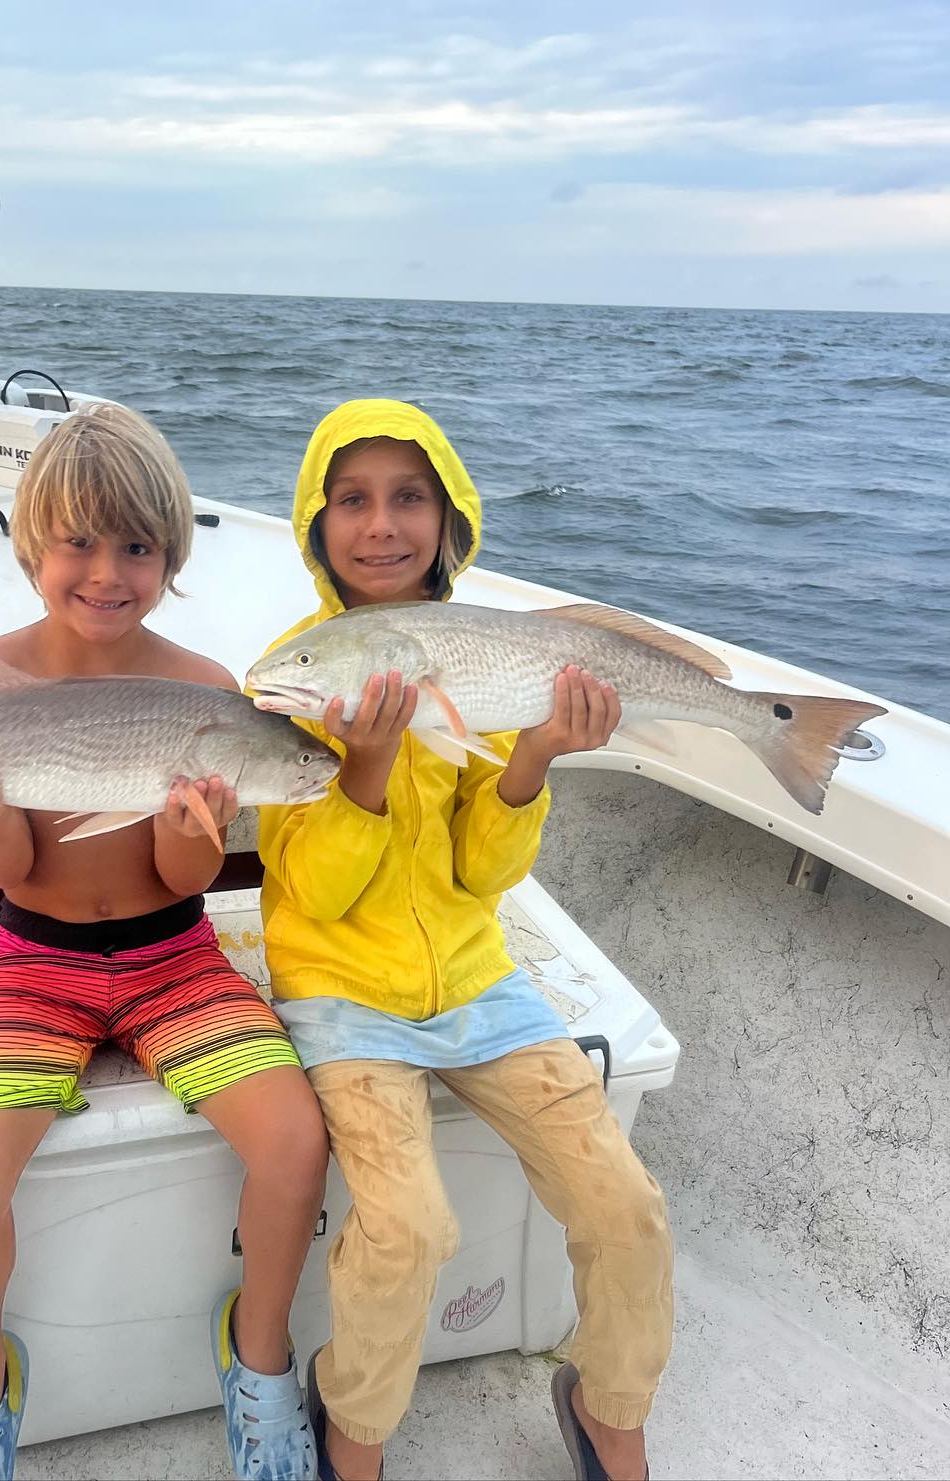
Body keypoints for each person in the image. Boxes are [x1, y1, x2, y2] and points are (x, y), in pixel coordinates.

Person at [254, 399, 673, 1481]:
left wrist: (534, 753)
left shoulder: (483, 658)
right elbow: (317, 890)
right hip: (342, 989)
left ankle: (610, 1410)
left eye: (410, 497)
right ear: (315, 523)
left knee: (626, 1202)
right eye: (351, 498)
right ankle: (353, 1430)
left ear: (449, 519)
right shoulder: (300, 672)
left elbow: (485, 873)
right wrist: (365, 763)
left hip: (480, 979)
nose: (380, 523)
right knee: (408, 1228)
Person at [0, 402, 327, 1481]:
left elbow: (186, 879)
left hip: (175, 956)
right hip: (33, 958)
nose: (107, 572)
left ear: (171, 557)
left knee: (295, 1140)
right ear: (30, 545)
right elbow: (9, 869)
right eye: (79, 542)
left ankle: (260, 1358)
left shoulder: (206, 690)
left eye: (139, 547)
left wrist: (196, 829)